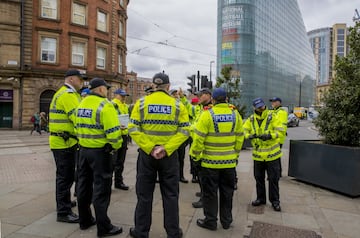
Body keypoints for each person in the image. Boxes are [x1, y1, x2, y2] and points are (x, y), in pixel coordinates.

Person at [128, 72, 190, 238]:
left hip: (147, 156)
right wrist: (166, 148)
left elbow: (132, 129)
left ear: (154, 86)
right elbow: (185, 131)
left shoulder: (141, 103)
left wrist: (150, 148)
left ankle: (141, 231)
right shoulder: (178, 105)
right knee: (170, 195)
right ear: (168, 87)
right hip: (169, 157)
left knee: (144, 195)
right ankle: (173, 232)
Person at [190, 88, 244, 231]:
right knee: (227, 193)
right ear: (226, 99)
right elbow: (240, 137)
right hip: (229, 163)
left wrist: (195, 156)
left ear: (213, 100)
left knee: (210, 194)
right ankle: (226, 221)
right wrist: (235, 154)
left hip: (210, 164)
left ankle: (211, 221)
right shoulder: (235, 114)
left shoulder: (207, 115)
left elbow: (198, 139)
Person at [75, 78, 123, 237]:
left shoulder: (81, 104)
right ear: (101, 89)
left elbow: (77, 126)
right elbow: (114, 134)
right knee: (101, 190)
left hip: (83, 151)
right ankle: (104, 227)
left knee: (83, 186)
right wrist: (116, 146)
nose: (107, 91)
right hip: (100, 153)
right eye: (106, 88)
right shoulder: (106, 106)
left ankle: (85, 220)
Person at [49, 69, 88, 223]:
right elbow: (78, 118)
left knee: (66, 176)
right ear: (71, 79)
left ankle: (64, 202)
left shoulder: (63, 93)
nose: (82, 82)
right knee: (65, 177)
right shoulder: (68, 95)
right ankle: (63, 212)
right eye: (80, 79)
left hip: (63, 141)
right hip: (64, 143)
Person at [243, 98, 285, 212]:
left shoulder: (272, 117)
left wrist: (270, 135)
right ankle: (261, 198)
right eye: (258, 107)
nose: (261, 108)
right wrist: (249, 136)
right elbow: (244, 131)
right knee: (259, 179)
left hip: (272, 155)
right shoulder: (251, 119)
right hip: (258, 156)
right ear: (254, 108)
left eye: (262, 106)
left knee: (273, 179)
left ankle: (275, 201)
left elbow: (281, 131)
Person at [191, 87, 213, 209]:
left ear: (208, 95)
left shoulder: (210, 109)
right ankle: (203, 193)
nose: (198, 97)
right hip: (197, 145)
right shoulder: (201, 108)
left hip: (204, 149)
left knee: (205, 177)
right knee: (200, 175)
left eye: (201, 95)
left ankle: (204, 199)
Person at [111, 88, 130, 190]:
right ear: (115, 95)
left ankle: (119, 181)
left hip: (124, 135)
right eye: (121, 96)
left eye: (124, 96)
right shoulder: (112, 105)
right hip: (116, 135)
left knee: (120, 161)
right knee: (112, 161)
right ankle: (109, 182)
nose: (123, 98)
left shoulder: (124, 106)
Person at [169, 88, 189, 183]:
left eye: (176, 94)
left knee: (181, 158)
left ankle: (180, 175)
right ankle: (172, 177)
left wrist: (182, 97)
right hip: (171, 137)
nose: (175, 96)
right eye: (174, 94)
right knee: (171, 160)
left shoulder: (180, 105)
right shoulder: (169, 105)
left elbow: (187, 106)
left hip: (180, 137)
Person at [269, 97, 288, 176]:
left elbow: (281, 127)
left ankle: (277, 173)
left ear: (279, 103)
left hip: (278, 138)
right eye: (272, 102)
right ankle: (276, 173)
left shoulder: (281, 112)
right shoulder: (273, 111)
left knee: (275, 157)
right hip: (273, 137)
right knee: (274, 157)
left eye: (274, 102)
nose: (272, 103)